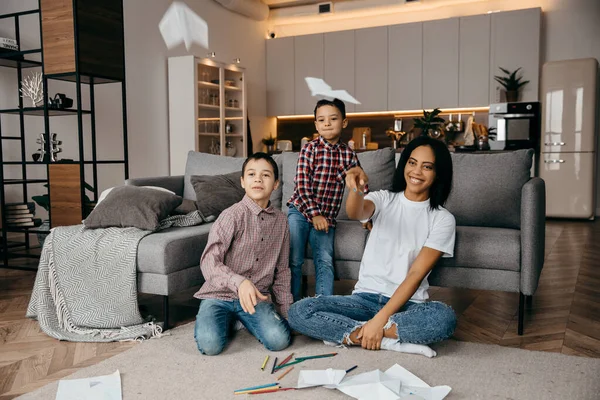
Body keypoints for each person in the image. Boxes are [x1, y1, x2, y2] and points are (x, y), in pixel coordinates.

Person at [287, 136, 457, 357]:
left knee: (443, 318)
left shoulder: (442, 219)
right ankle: (386, 339)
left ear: (438, 173)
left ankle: (357, 333)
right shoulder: (384, 199)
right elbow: (356, 212)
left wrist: (381, 319)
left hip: (407, 305)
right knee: (299, 311)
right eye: (412, 162)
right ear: (404, 163)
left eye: (427, 167)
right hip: (363, 299)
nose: (416, 171)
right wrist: (356, 189)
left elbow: (416, 274)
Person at [193, 152, 292, 355]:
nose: (258, 179)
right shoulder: (231, 216)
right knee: (210, 345)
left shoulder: (281, 221)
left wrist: (286, 311)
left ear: (275, 184)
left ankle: (242, 319)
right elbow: (208, 261)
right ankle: (228, 319)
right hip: (219, 295)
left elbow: (282, 270)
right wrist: (239, 282)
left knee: (279, 340)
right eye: (251, 174)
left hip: (257, 297)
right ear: (242, 182)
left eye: (265, 175)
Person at [287, 98, 361, 301]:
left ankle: (323, 304)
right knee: (294, 259)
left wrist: (367, 216)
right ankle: (291, 305)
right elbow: (302, 186)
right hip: (300, 211)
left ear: (344, 122)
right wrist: (315, 214)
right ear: (316, 125)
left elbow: (359, 186)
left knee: (325, 260)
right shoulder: (309, 149)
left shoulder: (349, 155)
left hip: (326, 218)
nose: (327, 123)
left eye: (333, 118)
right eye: (321, 120)